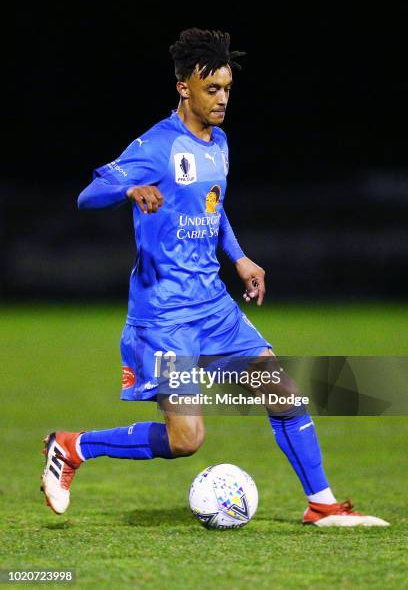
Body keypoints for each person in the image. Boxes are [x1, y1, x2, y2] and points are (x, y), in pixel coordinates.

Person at [41, 28, 388, 527]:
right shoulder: (157, 146)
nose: (223, 98)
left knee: (283, 393)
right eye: (212, 89)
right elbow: (88, 194)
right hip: (165, 315)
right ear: (184, 87)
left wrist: (240, 258)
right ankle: (72, 447)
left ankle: (323, 505)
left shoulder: (219, 142)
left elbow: (214, 208)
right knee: (187, 440)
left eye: (227, 88)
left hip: (214, 306)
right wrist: (130, 190)